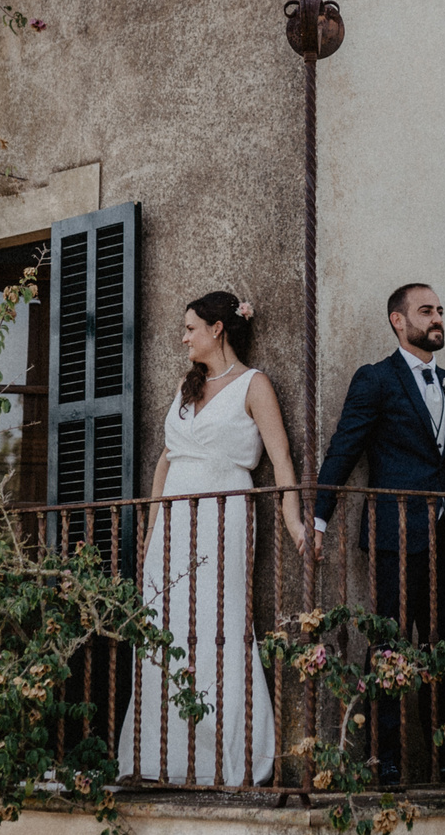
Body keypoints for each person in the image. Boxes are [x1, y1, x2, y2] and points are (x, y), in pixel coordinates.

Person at [116, 291, 308, 786]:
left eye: (190, 329)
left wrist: (293, 520)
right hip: (172, 524)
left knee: (217, 624)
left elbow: (281, 459)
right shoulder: (187, 385)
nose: (184, 338)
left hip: (223, 519)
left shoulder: (254, 384)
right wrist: (152, 529)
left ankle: (225, 756)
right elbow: (165, 460)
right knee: (163, 627)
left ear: (217, 328)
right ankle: (159, 756)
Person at [312, 282, 445, 784]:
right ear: (398, 320)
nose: (437, 319)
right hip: (394, 536)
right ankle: (385, 757)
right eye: (426, 310)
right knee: (389, 646)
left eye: (440, 310)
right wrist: (319, 518)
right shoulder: (376, 379)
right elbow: (344, 449)